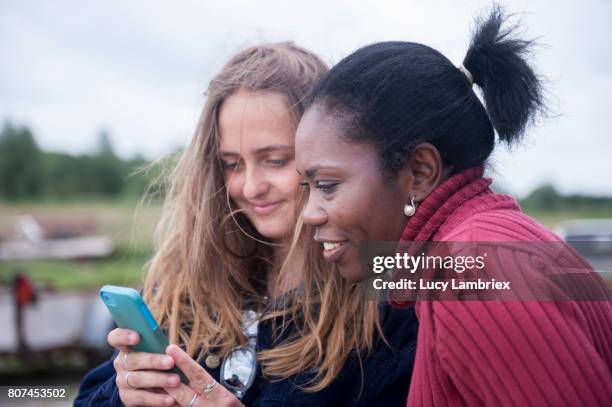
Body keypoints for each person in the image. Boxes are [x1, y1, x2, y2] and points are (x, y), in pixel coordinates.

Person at [294, 6, 612, 407]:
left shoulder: (468, 276)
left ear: (421, 172)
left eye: (326, 185)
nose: (309, 212)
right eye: (306, 187)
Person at [75, 42, 418, 407]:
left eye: (275, 160)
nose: (251, 187)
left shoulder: (391, 307)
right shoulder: (185, 286)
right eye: (232, 164)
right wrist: (125, 393)